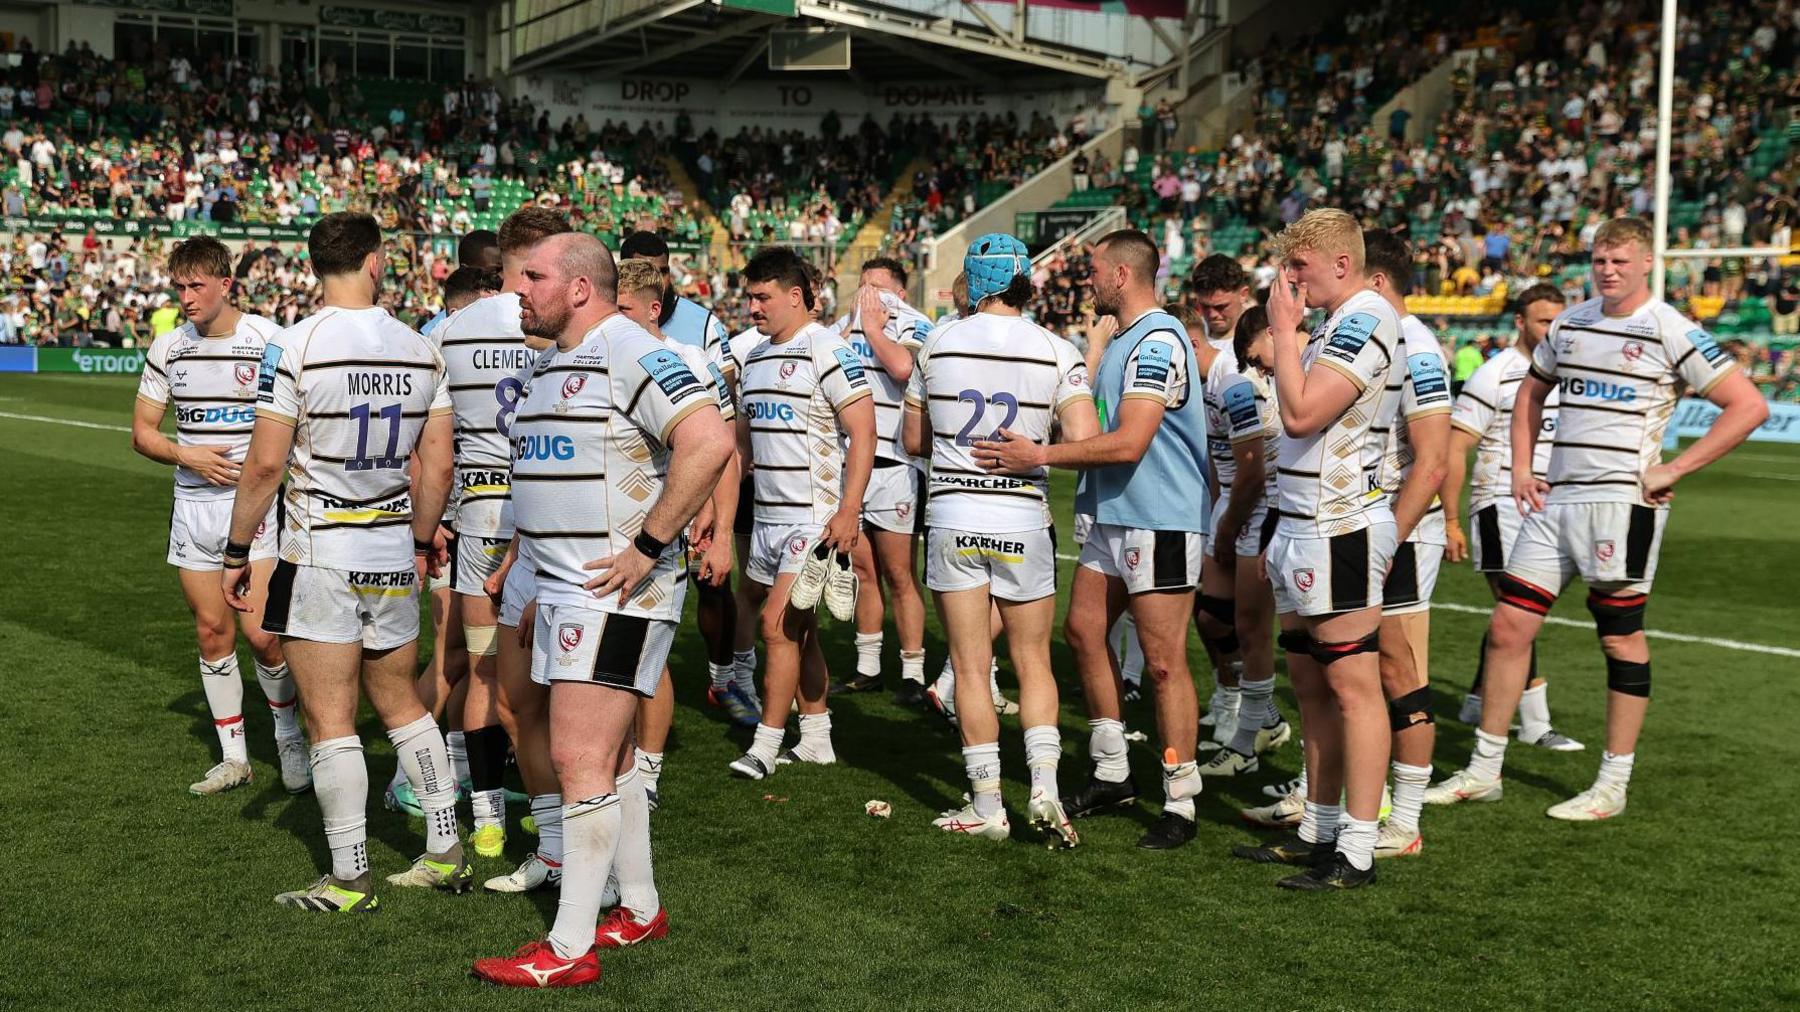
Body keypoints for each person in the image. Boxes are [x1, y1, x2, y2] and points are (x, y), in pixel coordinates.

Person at [1425, 217, 1768, 820]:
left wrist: (1676, 469)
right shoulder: (1570, 323)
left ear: (1644, 264)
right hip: (1554, 502)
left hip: (1621, 505)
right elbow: (1532, 393)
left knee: (1618, 635)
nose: (1608, 271)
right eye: (1600, 261)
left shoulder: (1671, 330)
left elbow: (1749, 406)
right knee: (1508, 628)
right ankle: (1484, 770)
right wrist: (1522, 468)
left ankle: (1612, 784)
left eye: (1620, 262)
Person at [471, 233, 733, 987]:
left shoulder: (634, 350)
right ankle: (641, 906)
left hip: (617, 596)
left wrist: (650, 545)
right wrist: (532, 578)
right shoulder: (552, 360)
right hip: (562, 592)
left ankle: (566, 949)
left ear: (581, 288)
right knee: (610, 761)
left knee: (576, 759)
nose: (516, 286)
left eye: (533, 275)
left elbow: (709, 442)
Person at [223, 211, 465, 912]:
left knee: (332, 719)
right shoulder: (422, 348)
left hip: (321, 554)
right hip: (392, 549)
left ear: (313, 266)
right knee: (402, 705)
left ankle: (350, 877)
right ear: (376, 262)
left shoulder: (296, 345)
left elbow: (266, 463)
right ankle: (445, 853)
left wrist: (239, 551)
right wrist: (420, 541)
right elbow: (438, 466)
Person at [974, 229, 1208, 851]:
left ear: (1124, 276)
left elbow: (1130, 441)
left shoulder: (1158, 339)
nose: (1088, 279)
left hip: (1158, 517)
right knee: (1082, 632)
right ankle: (1112, 772)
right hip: (1113, 513)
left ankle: (1181, 796)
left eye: (1096, 269)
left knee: (1162, 662)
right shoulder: (1130, 337)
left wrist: (1040, 454)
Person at [902, 233, 1097, 847]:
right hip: (1023, 518)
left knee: (969, 664)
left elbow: (913, 440)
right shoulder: (1057, 349)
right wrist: (1034, 451)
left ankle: (987, 803)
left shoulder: (937, 341)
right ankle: (1044, 789)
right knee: (1033, 662)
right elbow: (1085, 440)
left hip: (955, 517)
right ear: (1024, 282)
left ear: (974, 280)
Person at [1232, 208, 1401, 890]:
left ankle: (1356, 850)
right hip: (1301, 524)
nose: (1287, 277)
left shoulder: (1364, 318)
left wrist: (1280, 332)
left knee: (1353, 687)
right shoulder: (1336, 322)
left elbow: (1302, 413)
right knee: (1312, 685)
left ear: (1341, 263)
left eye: (1299, 266)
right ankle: (1321, 830)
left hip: (1340, 527)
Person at [130, 236, 308, 797]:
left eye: (196, 286)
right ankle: (235, 758)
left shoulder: (268, 341)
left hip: (253, 510)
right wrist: (188, 454)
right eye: (178, 287)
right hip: (191, 509)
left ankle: (289, 739)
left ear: (225, 284)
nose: (185, 297)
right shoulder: (168, 348)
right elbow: (142, 433)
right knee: (211, 632)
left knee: (262, 637)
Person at [427, 207, 569, 866]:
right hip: (548, 513)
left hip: (480, 514)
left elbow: (430, 442)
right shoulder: (565, 325)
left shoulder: (448, 330)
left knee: (484, 670)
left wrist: (430, 522)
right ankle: (556, 814)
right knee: (554, 676)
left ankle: (486, 820)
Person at [727, 247, 876, 780]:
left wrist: (849, 509)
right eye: (749, 297)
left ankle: (765, 746)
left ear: (796, 296)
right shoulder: (754, 357)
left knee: (775, 626)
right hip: (766, 518)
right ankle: (816, 737)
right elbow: (741, 443)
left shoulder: (829, 351)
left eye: (762, 297)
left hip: (812, 517)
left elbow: (864, 433)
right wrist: (721, 519)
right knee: (802, 631)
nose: (753, 307)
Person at [614, 256, 741, 808]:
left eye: (622, 309)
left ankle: (648, 771)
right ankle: (618, 764)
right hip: (609, 532)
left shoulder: (687, 359)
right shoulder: (602, 353)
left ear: (652, 308)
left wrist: (720, 525)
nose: (612, 318)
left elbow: (723, 451)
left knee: (651, 655)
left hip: (660, 532)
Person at [1440, 285, 1582, 750]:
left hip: (1547, 505)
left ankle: (1479, 698)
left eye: (1558, 320)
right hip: (1499, 503)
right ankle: (1537, 722)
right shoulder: (1495, 374)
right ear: (1520, 322)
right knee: (1522, 611)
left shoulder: (1568, 369)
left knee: (1514, 613)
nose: (1552, 330)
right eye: (1543, 321)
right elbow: (1456, 446)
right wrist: (1451, 520)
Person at [1359, 229, 1452, 860]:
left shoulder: (1416, 348)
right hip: (1369, 527)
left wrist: (1390, 534)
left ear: (1377, 281)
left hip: (1401, 532)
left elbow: (1433, 459)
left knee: (1398, 670)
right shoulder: (1379, 338)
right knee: (1355, 666)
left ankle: (1406, 816)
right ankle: (1343, 795)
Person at [1196, 302, 1293, 780]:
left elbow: (1251, 471)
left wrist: (1229, 524)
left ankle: (1245, 743)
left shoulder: (1240, 384)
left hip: (1261, 513)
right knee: (1215, 618)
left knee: (1254, 630)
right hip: (1238, 509)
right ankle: (1265, 718)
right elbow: (1227, 461)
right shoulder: (1231, 382)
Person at [834, 257, 931, 703]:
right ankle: (867, 666)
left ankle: (912, 671)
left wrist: (873, 329)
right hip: (852, 466)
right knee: (863, 570)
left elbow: (906, 370)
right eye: (863, 285)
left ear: (901, 294)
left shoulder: (916, 324)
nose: (868, 295)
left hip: (894, 466)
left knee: (899, 573)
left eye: (879, 287)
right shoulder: (843, 324)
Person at [1186, 254, 1258, 743]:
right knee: (1205, 612)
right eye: (1206, 308)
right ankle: (1229, 693)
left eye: (1222, 306)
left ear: (1244, 297)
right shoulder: (1205, 354)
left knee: (1234, 617)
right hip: (1213, 492)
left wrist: (1230, 515)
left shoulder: (1241, 357)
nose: (1215, 316)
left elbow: (1252, 450)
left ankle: (1255, 710)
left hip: (1253, 499)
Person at [420, 230, 501, 338]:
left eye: (504, 269)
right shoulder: (432, 333)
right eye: (494, 271)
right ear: (466, 268)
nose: (502, 276)